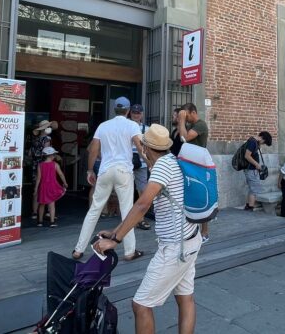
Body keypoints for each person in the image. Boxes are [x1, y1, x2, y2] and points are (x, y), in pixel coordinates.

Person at [94, 124, 202, 334]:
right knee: (185, 298)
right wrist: (116, 230)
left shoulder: (162, 166)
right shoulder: (173, 161)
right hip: (190, 239)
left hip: (175, 248)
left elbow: (142, 205)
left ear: (145, 147)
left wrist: (115, 240)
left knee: (141, 304)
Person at [73, 96, 144, 261]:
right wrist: (150, 163)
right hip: (123, 171)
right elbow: (140, 148)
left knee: (94, 210)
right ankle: (129, 251)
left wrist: (90, 171)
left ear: (115, 109)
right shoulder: (132, 125)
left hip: (105, 170)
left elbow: (93, 150)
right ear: (127, 111)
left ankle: (78, 249)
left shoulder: (103, 126)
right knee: (127, 211)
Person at [178, 103, 211, 241]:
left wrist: (181, 120)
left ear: (193, 112)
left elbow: (184, 138)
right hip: (190, 164)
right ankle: (192, 230)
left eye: (186, 114)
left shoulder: (200, 125)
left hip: (199, 165)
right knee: (190, 196)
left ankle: (205, 232)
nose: (185, 117)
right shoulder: (190, 126)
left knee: (201, 196)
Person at [130, 104, 152, 231]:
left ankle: (140, 219)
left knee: (142, 191)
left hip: (142, 164)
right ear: (130, 113)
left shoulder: (147, 129)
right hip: (126, 163)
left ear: (142, 114)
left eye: (138, 113)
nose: (136, 114)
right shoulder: (125, 127)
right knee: (125, 192)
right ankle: (128, 218)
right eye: (134, 112)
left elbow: (150, 147)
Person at [36, 147, 67, 227]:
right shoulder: (55, 164)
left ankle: (40, 221)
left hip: (43, 186)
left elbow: (38, 178)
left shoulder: (40, 165)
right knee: (52, 204)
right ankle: (52, 222)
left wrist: (36, 188)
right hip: (52, 186)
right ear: (50, 155)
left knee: (42, 204)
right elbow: (60, 174)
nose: (55, 155)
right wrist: (65, 182)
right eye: (54, 154)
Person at [30, 120, 56, 220]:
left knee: (36, 189)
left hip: (35, 165)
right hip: (44, 166)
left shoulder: (35, 139)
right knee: (48, 188)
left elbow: (30, 153)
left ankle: (34, 212)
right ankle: (49, 211)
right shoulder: (47, 139)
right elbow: (47, 152)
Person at [242, 131, 273, 211]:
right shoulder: (253, 142)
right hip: (251, 169)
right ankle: (250, 208)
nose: (263, 144)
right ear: (263, 138)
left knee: (253, 188)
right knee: (254, 189)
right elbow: (247, 156)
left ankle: (249, 206)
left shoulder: (254, 142)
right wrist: (257, 165)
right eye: (264, 142)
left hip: (252, 169)